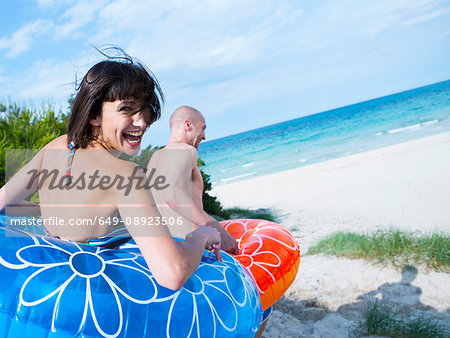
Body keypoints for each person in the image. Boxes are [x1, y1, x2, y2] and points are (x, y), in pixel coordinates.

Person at [0, 55, 222, 290]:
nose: (141, 122)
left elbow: (4, 202)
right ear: (94, 115)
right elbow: (171, 273)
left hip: (44, 286)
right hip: (94, 302)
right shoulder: (125, 175)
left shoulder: (57, 146)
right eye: (126, 109)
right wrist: (201, 236)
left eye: (144, 110)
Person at [147, 106, 239, 254]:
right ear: (188, 125)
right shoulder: (186, 150)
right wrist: (219, 231)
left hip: (165, 247)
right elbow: (172, 195)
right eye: (202, 128)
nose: (204, 136)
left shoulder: (155, 158)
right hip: (193, 247)